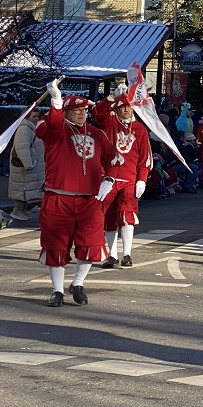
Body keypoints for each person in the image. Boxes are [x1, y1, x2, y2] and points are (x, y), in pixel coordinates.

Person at [36, 80, 118, 307]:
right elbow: (52, 124)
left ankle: (78, 283)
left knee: (90, 243)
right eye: (76, 111)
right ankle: (57, 290)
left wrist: (109, 178)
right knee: (56, 245)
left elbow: (113, 159)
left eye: (84, 111)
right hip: (57, 197)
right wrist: (56, 101)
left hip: (89, 200)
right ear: (66, 112)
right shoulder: (54, 130)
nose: (82, 114)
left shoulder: (97, 134)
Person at [93, 87, 152, 267]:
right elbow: (98, 111)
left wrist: (142, 179)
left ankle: (127, 254)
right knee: (108, 217)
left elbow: (145, 158)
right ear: (116, 109)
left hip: (129, 180)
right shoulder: (110, 123)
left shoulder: (140, 129)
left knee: (127, 216)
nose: (125, 110)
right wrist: (112, 96)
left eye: (128, 107)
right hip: (108, 179)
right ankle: (112, 254)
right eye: (121, 107)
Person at [9, 108, 45, 221]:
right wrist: (28, 164)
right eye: (33, 116)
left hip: (29, 165)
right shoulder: (25, 129)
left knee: (25, 189)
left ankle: (21, 210)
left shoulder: (30, 128)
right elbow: (22, 147)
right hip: (25, 166)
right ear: (27, 117)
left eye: (37, 117)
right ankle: (18, 210)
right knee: (22, 189)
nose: (36, 119)